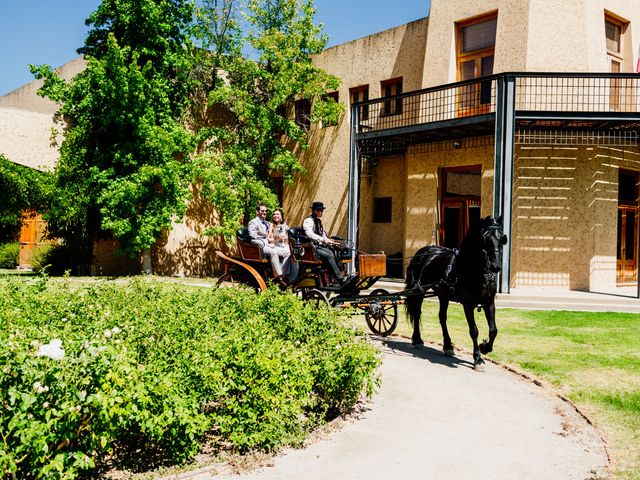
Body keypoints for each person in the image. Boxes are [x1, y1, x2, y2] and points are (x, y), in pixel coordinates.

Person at [303, 201, 346, 284]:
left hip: (321, 246)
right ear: (314, 211)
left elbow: (323, 235)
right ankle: (339, 278)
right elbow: (309, 234)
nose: (320, 212)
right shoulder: (308, 221)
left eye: (321, 210)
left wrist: (331, 241)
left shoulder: (319, 222)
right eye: (318, 210)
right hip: (313, 247)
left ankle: (336, 276)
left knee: (336, 251)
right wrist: (324, 240)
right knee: (328, 255)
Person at [248, 203, 287, 286]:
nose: (264, 213)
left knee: (285, 252)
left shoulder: (266, 223)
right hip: (259, 247)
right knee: (274, 252)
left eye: (266, 211)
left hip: (268, 244)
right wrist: (267, 243)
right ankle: (279, 277)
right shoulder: (253, 222)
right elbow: (253, 238)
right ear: (257, 212)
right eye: (262, 211)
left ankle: (285, 273)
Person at [268, 208, 298, 284]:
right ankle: (282, 274)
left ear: (281, 217)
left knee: (294, 253)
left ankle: (293, 277)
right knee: (288, 252)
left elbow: (289, 237)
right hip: (275, 246)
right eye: (274, 214)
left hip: (283, 246)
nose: (275, 216)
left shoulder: (284, 226)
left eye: (277, 214)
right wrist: (275, 239)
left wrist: (286, 238)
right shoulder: (272, 225)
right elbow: (268, 238)